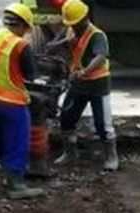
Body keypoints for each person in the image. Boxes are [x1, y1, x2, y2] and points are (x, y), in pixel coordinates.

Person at [0, 3, 44, 199]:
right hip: (11, 102)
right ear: (22, 25)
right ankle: (16, 185)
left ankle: (9, 172)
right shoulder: (20, 45)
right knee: (17, 142)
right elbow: (30, 75)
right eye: (26, 29)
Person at [52, 0, 118, 172]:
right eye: (70, 23)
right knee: (67, 117)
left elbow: (100, 57)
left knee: (103, 123)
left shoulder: (97, 35)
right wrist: (61, 43)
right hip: (78, 83)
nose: (73, 26)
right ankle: (70, 152)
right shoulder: (71, 31)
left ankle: (111, 156)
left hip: (98, 84)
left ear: (84, 19)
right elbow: (54, 47)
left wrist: (85, 71)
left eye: (75, 23)